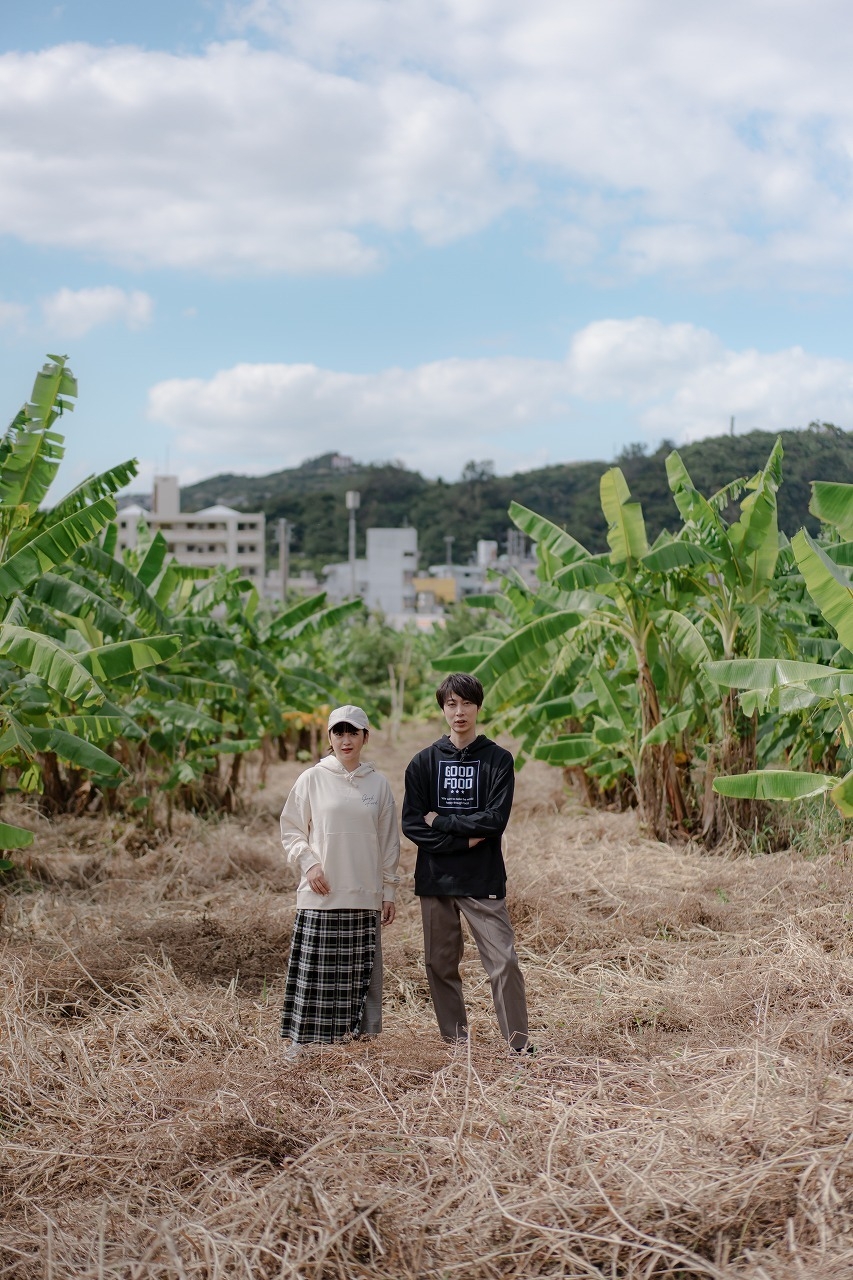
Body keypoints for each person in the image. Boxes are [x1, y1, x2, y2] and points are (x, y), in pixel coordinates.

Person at [402, 673, 531, 1053]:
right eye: (452, 704)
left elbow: (495, 821)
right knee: (439, 965)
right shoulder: (423, 763)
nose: (460, 712)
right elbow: (412, 824)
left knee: (504, 961)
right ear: (443, 709)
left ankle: (518, 1046)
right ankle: (456, 1044)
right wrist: (465, 839)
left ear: (478, 707)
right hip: (436, 880)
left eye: (467, 704)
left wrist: (442, 822)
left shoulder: (498, 760)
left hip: (482, 878)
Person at [279, 704, 400, 1058]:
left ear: (365, 737)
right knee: (315, 975)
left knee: (356, 977)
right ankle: (302, 1046)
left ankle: (354, 1050)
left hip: (364, 894)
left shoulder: (378, 784)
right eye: (339, 732)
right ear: (329, 738)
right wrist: (309, 864)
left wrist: (389, 890)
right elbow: (291, 829)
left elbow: (389, 843)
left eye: (353, 732)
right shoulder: (311, 778)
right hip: (321, 893)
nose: (346, 740)